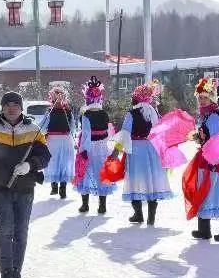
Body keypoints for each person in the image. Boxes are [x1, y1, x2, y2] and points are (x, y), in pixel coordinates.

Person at [0, 91, 51, 278]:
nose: (12, 108)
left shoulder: (33, 130)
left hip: (25, 189)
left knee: (21, 232)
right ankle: (6, 275)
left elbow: (45, 156)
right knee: (5, 231)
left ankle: (16, 272)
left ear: (21, 108)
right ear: (2, 107)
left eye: (16, 105)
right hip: (1, 188)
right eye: (8, 105)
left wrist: (30, 165)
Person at [110, 82, 173, 226]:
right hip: (152, 149)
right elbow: (161, 133)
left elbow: (125, 133)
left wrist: (117, 150)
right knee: (151, 181)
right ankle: (151, 217)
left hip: (137, 150)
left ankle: (138, 214)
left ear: (136, 98)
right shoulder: (154, 113)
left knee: (135, 180)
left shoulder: (132, 114)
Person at [189, 78, 219, 241]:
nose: (202, 101)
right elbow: (208, 137)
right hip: (207, 157)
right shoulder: (207, 115)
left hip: (215, 160)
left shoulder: (214, 116)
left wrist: (213, 160)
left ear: (211, 98)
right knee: (206, 191)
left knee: (216, 192)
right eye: (200, 98)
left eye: (204, 98)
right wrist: (199, 137)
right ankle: (205, 229)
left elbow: (216, 139)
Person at [75, 76, 116, 214]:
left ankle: (85, 205)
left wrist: (83, 150)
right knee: (101, 174)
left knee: (85, 172)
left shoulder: (85, 115)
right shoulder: (104, 114)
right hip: (103, 147)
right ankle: (102, 205)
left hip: (89, 147)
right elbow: (108, 131)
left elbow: (85, 134)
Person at [39, 86, 75, 199]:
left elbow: (43, 127)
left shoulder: (64, 111)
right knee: (59, 162)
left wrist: (43, 132)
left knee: (58, 162)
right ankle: (58, 187)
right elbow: (73, 127)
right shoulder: (62, 111)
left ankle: (59, 188)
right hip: (61, 140)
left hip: (57, 140)